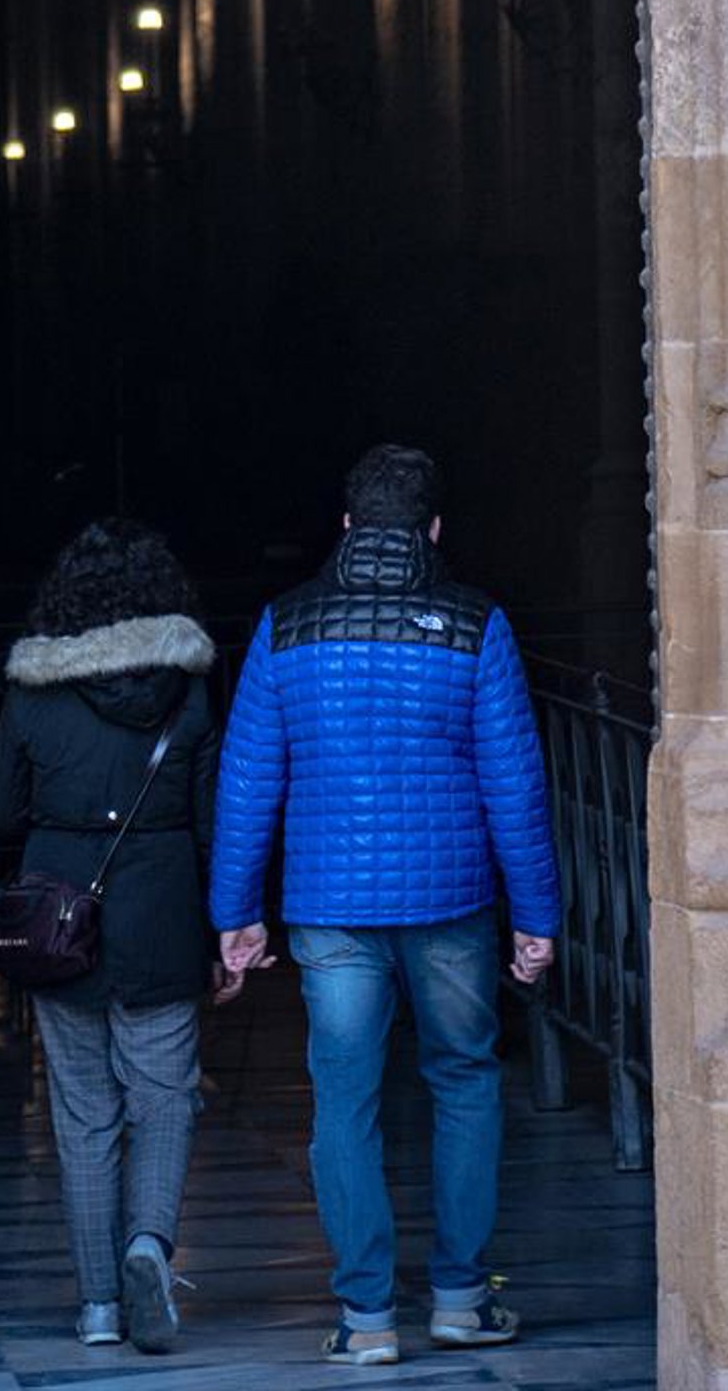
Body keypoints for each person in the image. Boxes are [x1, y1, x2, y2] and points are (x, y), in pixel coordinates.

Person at [207, 443, 561, 1368]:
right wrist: (537, 914)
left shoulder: (285, 624)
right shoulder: (476, 623)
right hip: (451, 903)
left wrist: (235, 911)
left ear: (348, 524)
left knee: (343, 1100)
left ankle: (366, 1316)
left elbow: (248, 781)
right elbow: (515, 785)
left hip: (330, 905)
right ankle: (460, 1299)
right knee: (465, 1079)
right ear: (434, 529)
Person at [0, 519, 227, 1353]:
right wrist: (227, 929)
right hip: (162, 913)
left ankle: (95, 1304)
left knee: (83, 1111)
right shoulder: (187, 690)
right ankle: (148, 1244)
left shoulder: (33, 691)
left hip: (60, 921)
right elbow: (212, 826)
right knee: (164, 1097)